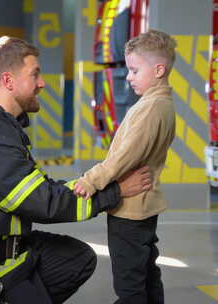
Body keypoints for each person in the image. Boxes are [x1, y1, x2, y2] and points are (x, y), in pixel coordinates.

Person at [0, 36, 152, 304]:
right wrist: (115, 192)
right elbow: (44, 203)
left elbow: (41, 190)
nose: (42, 83)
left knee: (75, 258)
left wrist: (95, 184)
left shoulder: (0, 127)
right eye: (35, 74)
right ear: (8, 81)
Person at [73, 30, 177, 304]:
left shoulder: (151, 108)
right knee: (146, 273)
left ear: (158, 69)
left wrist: (91, 180)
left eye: (134, 70)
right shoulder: (161, 104)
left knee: (129, 283)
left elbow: (125, 156)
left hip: (130, 211)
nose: (128, 76)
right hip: (144, 207)